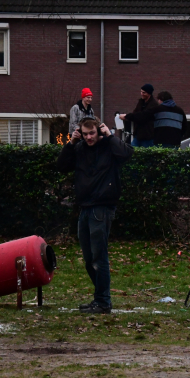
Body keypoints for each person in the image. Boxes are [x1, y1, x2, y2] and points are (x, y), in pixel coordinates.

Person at [57, 116, 133, 314]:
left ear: (99, 130)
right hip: (85, 206)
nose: (89, 137)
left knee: (99, 256)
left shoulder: (108, 145)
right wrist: (71, 143)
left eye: (92, 133)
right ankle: (100, 297)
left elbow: (126, 155)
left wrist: (110, 137)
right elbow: (62, 165)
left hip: (102, 206)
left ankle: (103, 300)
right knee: (89, 256)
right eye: (85, 134)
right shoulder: (80, 148)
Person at [119, 91, 186, 148]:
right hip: (175, 142)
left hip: (161, 141)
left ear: (161, 99)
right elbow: (184, 128)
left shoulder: (158, 109)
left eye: (159, 100)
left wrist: (127, 116)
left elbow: (142, 115)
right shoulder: (180, 111)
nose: (158, 102)